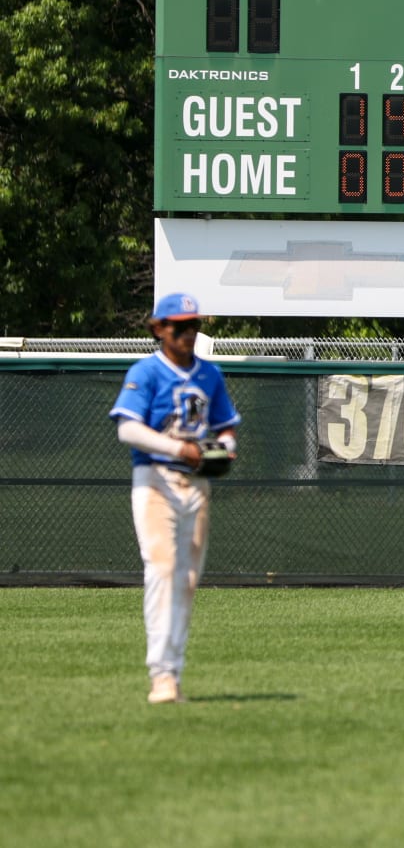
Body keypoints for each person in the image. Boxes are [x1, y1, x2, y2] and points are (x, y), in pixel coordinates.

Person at [109, 293, 240, 704]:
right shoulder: (147, 371)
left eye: (193, 325)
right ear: (158, 329)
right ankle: (161, 675)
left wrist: (225, 447)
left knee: (186, 580)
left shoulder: (209, 373)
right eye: (179, 326)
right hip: (155, 479)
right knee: (162, 570)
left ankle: (174, 674)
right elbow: (127, 430)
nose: (188, 333)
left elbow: (225, 426)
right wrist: (178, 449)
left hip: (196, 483)